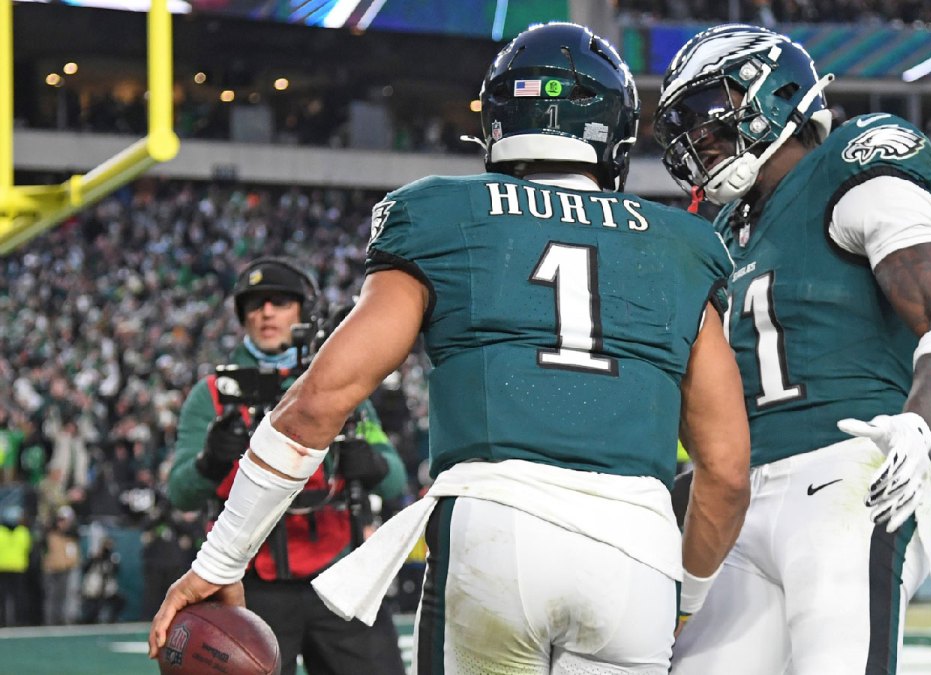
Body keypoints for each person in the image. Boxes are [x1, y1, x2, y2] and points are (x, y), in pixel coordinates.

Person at [150, 22, 751, 674]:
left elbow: (318, 401)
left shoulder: (444, 213)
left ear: (496, 120)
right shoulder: (678, 241)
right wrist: (684, 596)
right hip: (638, 546)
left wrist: (220, 559)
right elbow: (725, 468)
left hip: (497, 527)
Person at [653, 24, 931, 674]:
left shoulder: (846, 168)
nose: (699, 142)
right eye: (687, 131)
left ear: (774, 96)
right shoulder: (720, 233)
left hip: (846, 471)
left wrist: (919, 424)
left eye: (709, 119)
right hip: (742, 500)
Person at [164, 256, 408, 675]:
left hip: (338, 578)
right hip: (251, 583)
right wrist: (209, 462)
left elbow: (395, 482)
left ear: (304, 312)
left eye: (279, 302)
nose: (266, 312)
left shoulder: (341, 379)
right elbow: (179, 491)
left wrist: (372, 465)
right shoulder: (214, 394)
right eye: (255, 304)